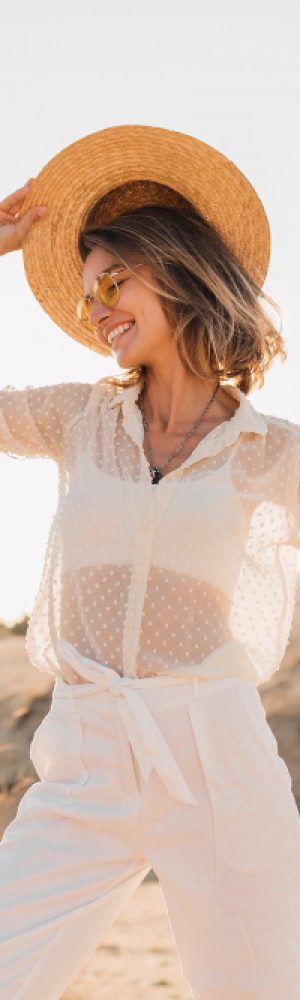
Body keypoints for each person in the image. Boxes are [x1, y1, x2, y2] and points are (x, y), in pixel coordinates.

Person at [0, 125, 300, 999]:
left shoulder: (268, 452)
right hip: (88, 754)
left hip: (218, 763)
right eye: (88, 293)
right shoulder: (77, 421)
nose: (96, 309)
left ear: (174, 268)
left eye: (113, 282)